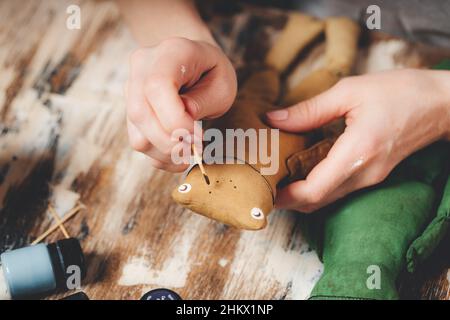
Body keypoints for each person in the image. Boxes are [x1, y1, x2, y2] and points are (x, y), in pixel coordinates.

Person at [118, 0, 450, 213]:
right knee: (267, 78)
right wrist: (182, 40)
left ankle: (338, 54)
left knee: (318, 76)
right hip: (238, 22)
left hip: (429, 46)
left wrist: (440, 102)